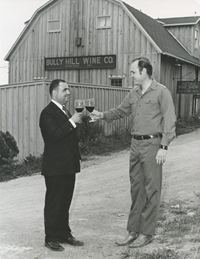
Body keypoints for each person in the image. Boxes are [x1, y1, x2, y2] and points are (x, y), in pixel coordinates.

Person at [92, 57, 176, 248]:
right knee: (136, 189)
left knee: (151, 190)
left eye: (133, 72)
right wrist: (102, 115)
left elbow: (170, 121)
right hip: (135, 145)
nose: (130, 75)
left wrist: (163, 147)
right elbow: (121, 111)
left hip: (153, 144)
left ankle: (147, 233)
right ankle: (133, 231)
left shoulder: (161, 92)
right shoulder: (134, 93)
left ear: (144, 71)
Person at [39, 79, 84, 251]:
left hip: (68, 165)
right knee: (54, 202)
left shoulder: (64, 111)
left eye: (69, 90)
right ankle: (51, 237)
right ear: (54, 92)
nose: (68, 93)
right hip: (55, 167)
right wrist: (72, 121)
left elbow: (68, 135)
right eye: (65, 90)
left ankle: (64, 234)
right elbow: (54, 136)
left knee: (65, 201)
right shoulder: (47, 113)